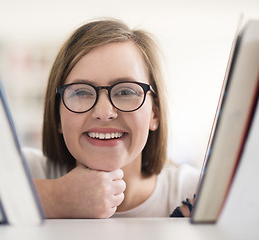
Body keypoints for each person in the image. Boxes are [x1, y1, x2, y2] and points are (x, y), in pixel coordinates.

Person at [23, 19, 200, 218]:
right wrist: (55, 198)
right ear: (57, 115)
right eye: (81, 92)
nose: (104, 112)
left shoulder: (195, 191)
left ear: (154, 114)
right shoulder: (24, 171)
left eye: (125, 92)